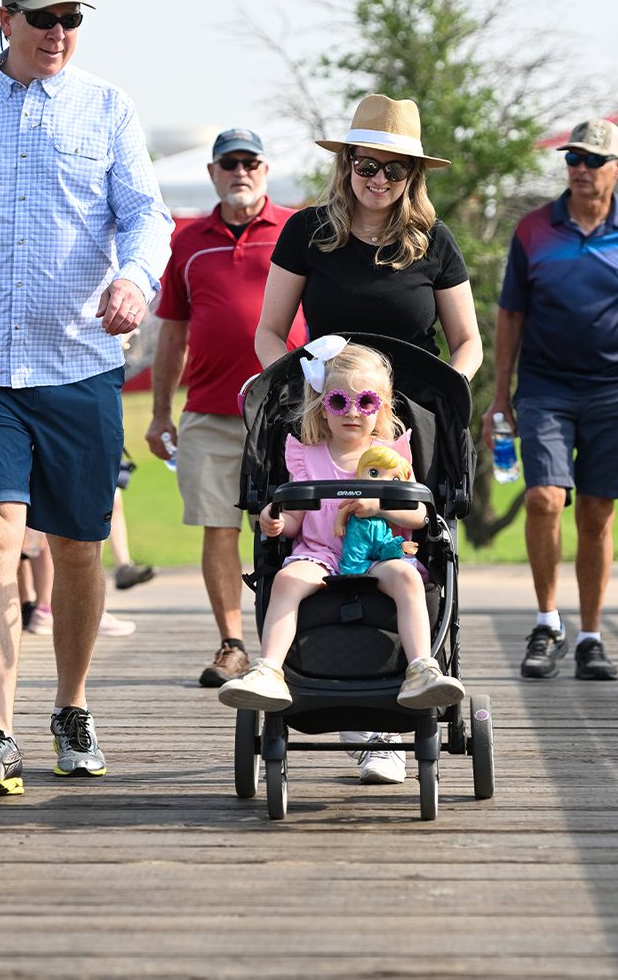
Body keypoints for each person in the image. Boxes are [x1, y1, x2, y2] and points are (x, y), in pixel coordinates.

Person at [0, 0, 173, 799]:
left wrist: (134, 279)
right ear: (5, 20)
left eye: (71, 21)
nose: (58, 34)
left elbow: (146, 217)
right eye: (43, 19)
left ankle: (73, 706)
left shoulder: (107, 107)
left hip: (78, 363)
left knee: (80, 549)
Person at [254, 93, 482, 783]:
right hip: (327, 409)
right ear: (346, 165)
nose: (377, 179)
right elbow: (271, 332)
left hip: (404, 415)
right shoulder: (307, 231)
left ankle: (408, 681)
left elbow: (467, 342)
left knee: (407, 541)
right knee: (306, 538)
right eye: (365, 164)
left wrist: (443, 395)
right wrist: (300, 395)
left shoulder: (433, 242)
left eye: (392, 169)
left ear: (412, 176)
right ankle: (330, 688)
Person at [482, 118, 618, 682]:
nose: (580, 168)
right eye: (573, 157)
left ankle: (591, 635)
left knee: (596, 512)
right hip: (546, 388)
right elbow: (510, 314)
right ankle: (547, 622)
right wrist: (501, 395)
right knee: (544, 498)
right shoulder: (532, 231)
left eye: (593, 159)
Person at [218, 341, 465, 713]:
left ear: (380, 407)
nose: (352, 412)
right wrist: (276, 522)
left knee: (408, 579)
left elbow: (419, 516)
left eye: (365, 402)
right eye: (338, 402)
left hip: (381, 554)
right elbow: (295, 521)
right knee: (286, 581)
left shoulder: (392, 454)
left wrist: (381, 507)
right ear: (322, 405)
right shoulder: (305, 454)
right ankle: (269, 669)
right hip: (319, 553)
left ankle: (420, 669)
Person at [144, 128, 305, 687]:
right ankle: (232, 645)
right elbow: (171, 334)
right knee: (217, 526)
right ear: (213, 173)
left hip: (288, 412)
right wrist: (161, 412)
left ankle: (288, 647)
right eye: (229, 163)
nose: (240, 172)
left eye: (250, 162)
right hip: (209, 410)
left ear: (265, 169)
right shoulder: (187, 241)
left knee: (294, 526)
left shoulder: (296, 230)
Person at [335, 445, 419, 574]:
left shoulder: (389, 503)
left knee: (387, 547)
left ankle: (401, 547)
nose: (383, 481)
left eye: (395, 479)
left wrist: (380, 508)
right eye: (374, 473)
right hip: (359, 532)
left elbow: (415, 514)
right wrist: (339, 524)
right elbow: (345, 507)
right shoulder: (358, 495)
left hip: (382, 534)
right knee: (355, 552)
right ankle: (351, 573)